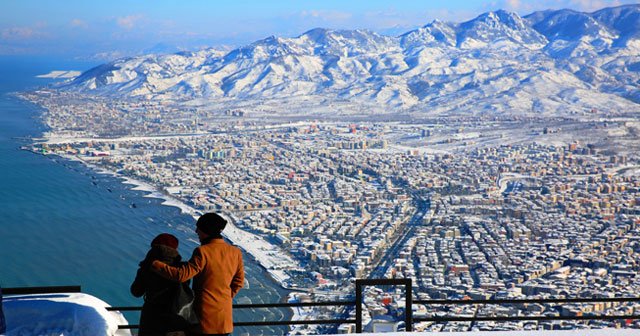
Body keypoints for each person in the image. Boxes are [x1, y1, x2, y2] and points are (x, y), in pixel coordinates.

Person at [151, 213, 244, 336]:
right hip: (224, 318)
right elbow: (239, 281)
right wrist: (225, 297)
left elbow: (182, 275)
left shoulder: (203, 251)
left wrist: (156, 264)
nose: (196, 231)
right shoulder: (235, 252)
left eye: (198, 228)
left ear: (206, 231)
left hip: (204, 318)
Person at [131, 233, 189, 336]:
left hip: (151, 316)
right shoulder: (182, 270)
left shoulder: (148, 267)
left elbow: (136, 292)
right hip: (176, 317)